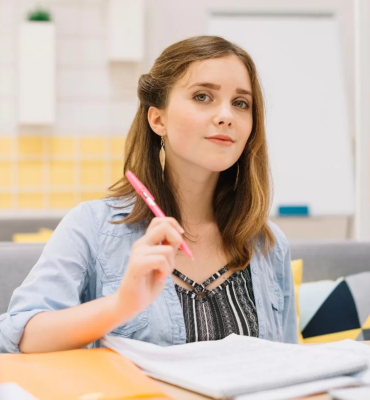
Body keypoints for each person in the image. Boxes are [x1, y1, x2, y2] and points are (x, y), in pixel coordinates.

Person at [0, 36, 297, 354]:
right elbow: (18, 338)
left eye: (241, 103)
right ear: (158, 119)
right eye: (202, 96)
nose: (226, 115)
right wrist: (122, 303)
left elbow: (290, 363)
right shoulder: (92, 227)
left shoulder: (268, 245)